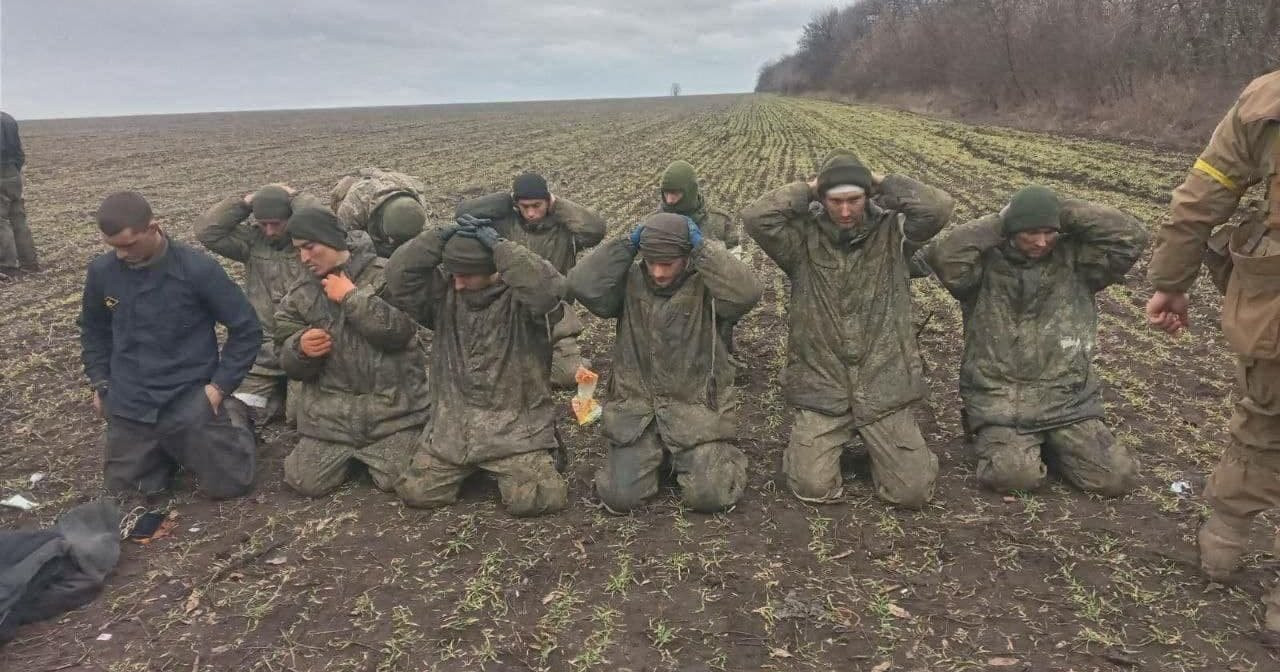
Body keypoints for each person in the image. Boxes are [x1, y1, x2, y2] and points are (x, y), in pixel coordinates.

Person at [1145, 70, 1280, 643]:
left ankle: (1223, 542)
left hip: (1272, 304)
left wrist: (1171, 281)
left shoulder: (1266, 98)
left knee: (1260, 416)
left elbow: (1200, 198)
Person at [742, 150, 953, 508]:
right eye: (834, 200)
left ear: (867, 196)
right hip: (824, 389)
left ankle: (889, 452)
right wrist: (810, 186)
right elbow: (755, 217)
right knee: (810, 487)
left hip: (883, 387)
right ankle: (825, 448)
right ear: (821, 199)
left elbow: (938, 209)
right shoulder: (799, 243)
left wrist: (882, 180)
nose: (844, 211)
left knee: (912, 493)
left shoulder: (894, 235)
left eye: (853, 199)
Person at [925, 186, 1148, 494]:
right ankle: (1005, 442)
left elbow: (1132, 237)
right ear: (1011, 230)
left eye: (1049, 232)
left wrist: (1059, 209)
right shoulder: (982, 268)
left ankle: (1055, 447)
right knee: (1014, 479)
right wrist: (1003, 218)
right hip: (1001, 403)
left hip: (1067, 400)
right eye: (1031, 232)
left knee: (1117, 479)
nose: (1042, 242)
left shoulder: (1081, 263)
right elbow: (944, 255)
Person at [570, 213, 760, 513]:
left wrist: (703, 248)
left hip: (694, 411)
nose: (658, 272)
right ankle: (654, 457)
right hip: (638, 413)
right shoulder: (628, 283)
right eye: (651, 261)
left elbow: (748, 293)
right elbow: (581, 284)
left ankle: (720, 454)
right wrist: (626, 245)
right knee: (619, 498)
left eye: (668, 263)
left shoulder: (707, 287)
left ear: (686, 258)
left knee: (711, 496)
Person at [79, 191, 259, 499]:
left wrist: (219, 387)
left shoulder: (197, 270)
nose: (121, 255)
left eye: (129, 245)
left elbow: (246, 328)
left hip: (187, 396)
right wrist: (100, 381)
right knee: (128, 496)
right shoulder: (102, 272)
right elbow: (93, 330)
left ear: (153, 227)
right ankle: (163, 451)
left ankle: (233, 419)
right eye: (114, 248)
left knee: (232, 485)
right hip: (130, 400)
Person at [387, 217, 569, 516]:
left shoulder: (524, 304)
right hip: (454, 434)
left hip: (514, 434)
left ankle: (541, 454)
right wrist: (436, 238)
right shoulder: (442, 297)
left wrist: (501, 247)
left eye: (466, 275)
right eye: (453, 273)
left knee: (537, 499)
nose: (456, 283)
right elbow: (397, 276)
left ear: (493, 271)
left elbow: (550, 289)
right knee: (416, 492)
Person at [273, 208, 430, 497]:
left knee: (404, 480)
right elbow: (284, 356)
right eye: (298, 251)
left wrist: (351, 297)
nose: (304, 258)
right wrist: (300, 349)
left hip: (393, 414)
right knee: (304, 481)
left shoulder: (388, 275)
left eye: (310, 247)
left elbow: (399, 333)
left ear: (332, 240)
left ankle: (386, 451)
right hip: (330, 421)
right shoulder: (299, 294)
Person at [455, 172, 605, 387]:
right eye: (525, 206)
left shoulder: (563, 227)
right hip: (510, 313)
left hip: (553, 317)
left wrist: (558, 205)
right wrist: (504, 200)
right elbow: (462, 213)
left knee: (568, 375)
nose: (532, 213)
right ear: (516, 205)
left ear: (548, 201)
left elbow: (596, 229)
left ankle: (557, 362)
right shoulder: (506, 225)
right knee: (486, 373)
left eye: (537, 205)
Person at [195, 185, 323, 425]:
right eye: (263, 223)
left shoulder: (312, 244)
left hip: (305, 351)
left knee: (301, 419)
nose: (270, 231)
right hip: (263, 354)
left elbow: (328, 220)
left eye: (276, 223)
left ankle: (286, 401)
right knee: (237, 411)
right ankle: (275, 399)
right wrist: (246, 202)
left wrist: (294, 197)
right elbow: (207, 231)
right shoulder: (252, 242)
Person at [330, 167, 429, 257]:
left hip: (390, 182)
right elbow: (342, 242)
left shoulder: (417, 202)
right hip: (366, 206)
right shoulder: (353, 203)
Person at [657, 160, 741, 251]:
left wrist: (710, 250)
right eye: (665, 193)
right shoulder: (651, 224)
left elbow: (734, 261)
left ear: (690, 192)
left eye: (675, 193)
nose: (669, 200)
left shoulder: (721, 222)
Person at [0, 110, 36, 279]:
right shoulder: (8, 119)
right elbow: (19, 151)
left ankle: (7, 267)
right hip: (13, 173)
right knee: (18, 218)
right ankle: (29, 263)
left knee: (1, 221)